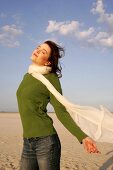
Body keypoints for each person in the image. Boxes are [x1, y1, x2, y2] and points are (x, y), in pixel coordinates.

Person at [16, 40, 100, 170]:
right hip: (27, 141)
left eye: (43, 51)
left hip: (46, 143)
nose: (37, 50)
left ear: (48, 61)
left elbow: (61, 111)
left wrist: (82, 136)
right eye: (38, 47)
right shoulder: (28, 76)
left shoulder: (51, 78)